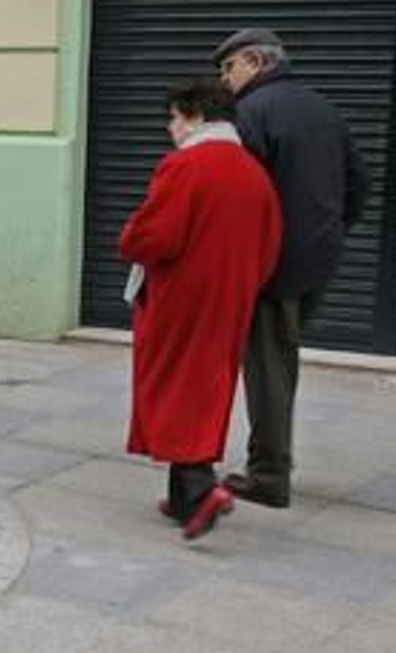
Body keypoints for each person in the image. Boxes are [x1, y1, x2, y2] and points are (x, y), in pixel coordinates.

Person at [214, 28, 370, 509]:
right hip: (318, 259)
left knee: (267, 369)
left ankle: (268, 476)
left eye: (230, 68)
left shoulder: (251, 113)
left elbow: (239, 196)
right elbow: (358, 184)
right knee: (281, 359)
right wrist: (329, 234)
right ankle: (273, 459)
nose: (224, 80)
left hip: (272, 265)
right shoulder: (322, 108)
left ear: (257, 61)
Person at [120, 78, 282, 541]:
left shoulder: (185, 166)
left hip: (180, 297)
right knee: (205, 388)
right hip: (231, 299)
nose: (171, 128)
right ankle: (181, 497)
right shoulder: (254, 171)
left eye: (174, 118)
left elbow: (154, 236)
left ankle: (200, 490)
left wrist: (128, 236)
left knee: (172, 388)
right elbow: (269, 247)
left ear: (194, 117)